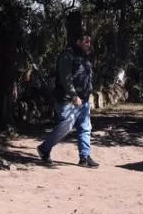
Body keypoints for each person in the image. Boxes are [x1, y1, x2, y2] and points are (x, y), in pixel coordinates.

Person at [37, 32, 99, 168]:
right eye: (86, 41)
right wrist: (73, 95)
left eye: (90, 42)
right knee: (65, 127)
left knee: (85, 128)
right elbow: (66, 78)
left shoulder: (84, 58)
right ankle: (44, 148)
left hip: (83, 100)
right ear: (78, 41)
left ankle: (85, 157)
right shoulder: (67, 55)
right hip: (68, 100)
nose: (89, 44)